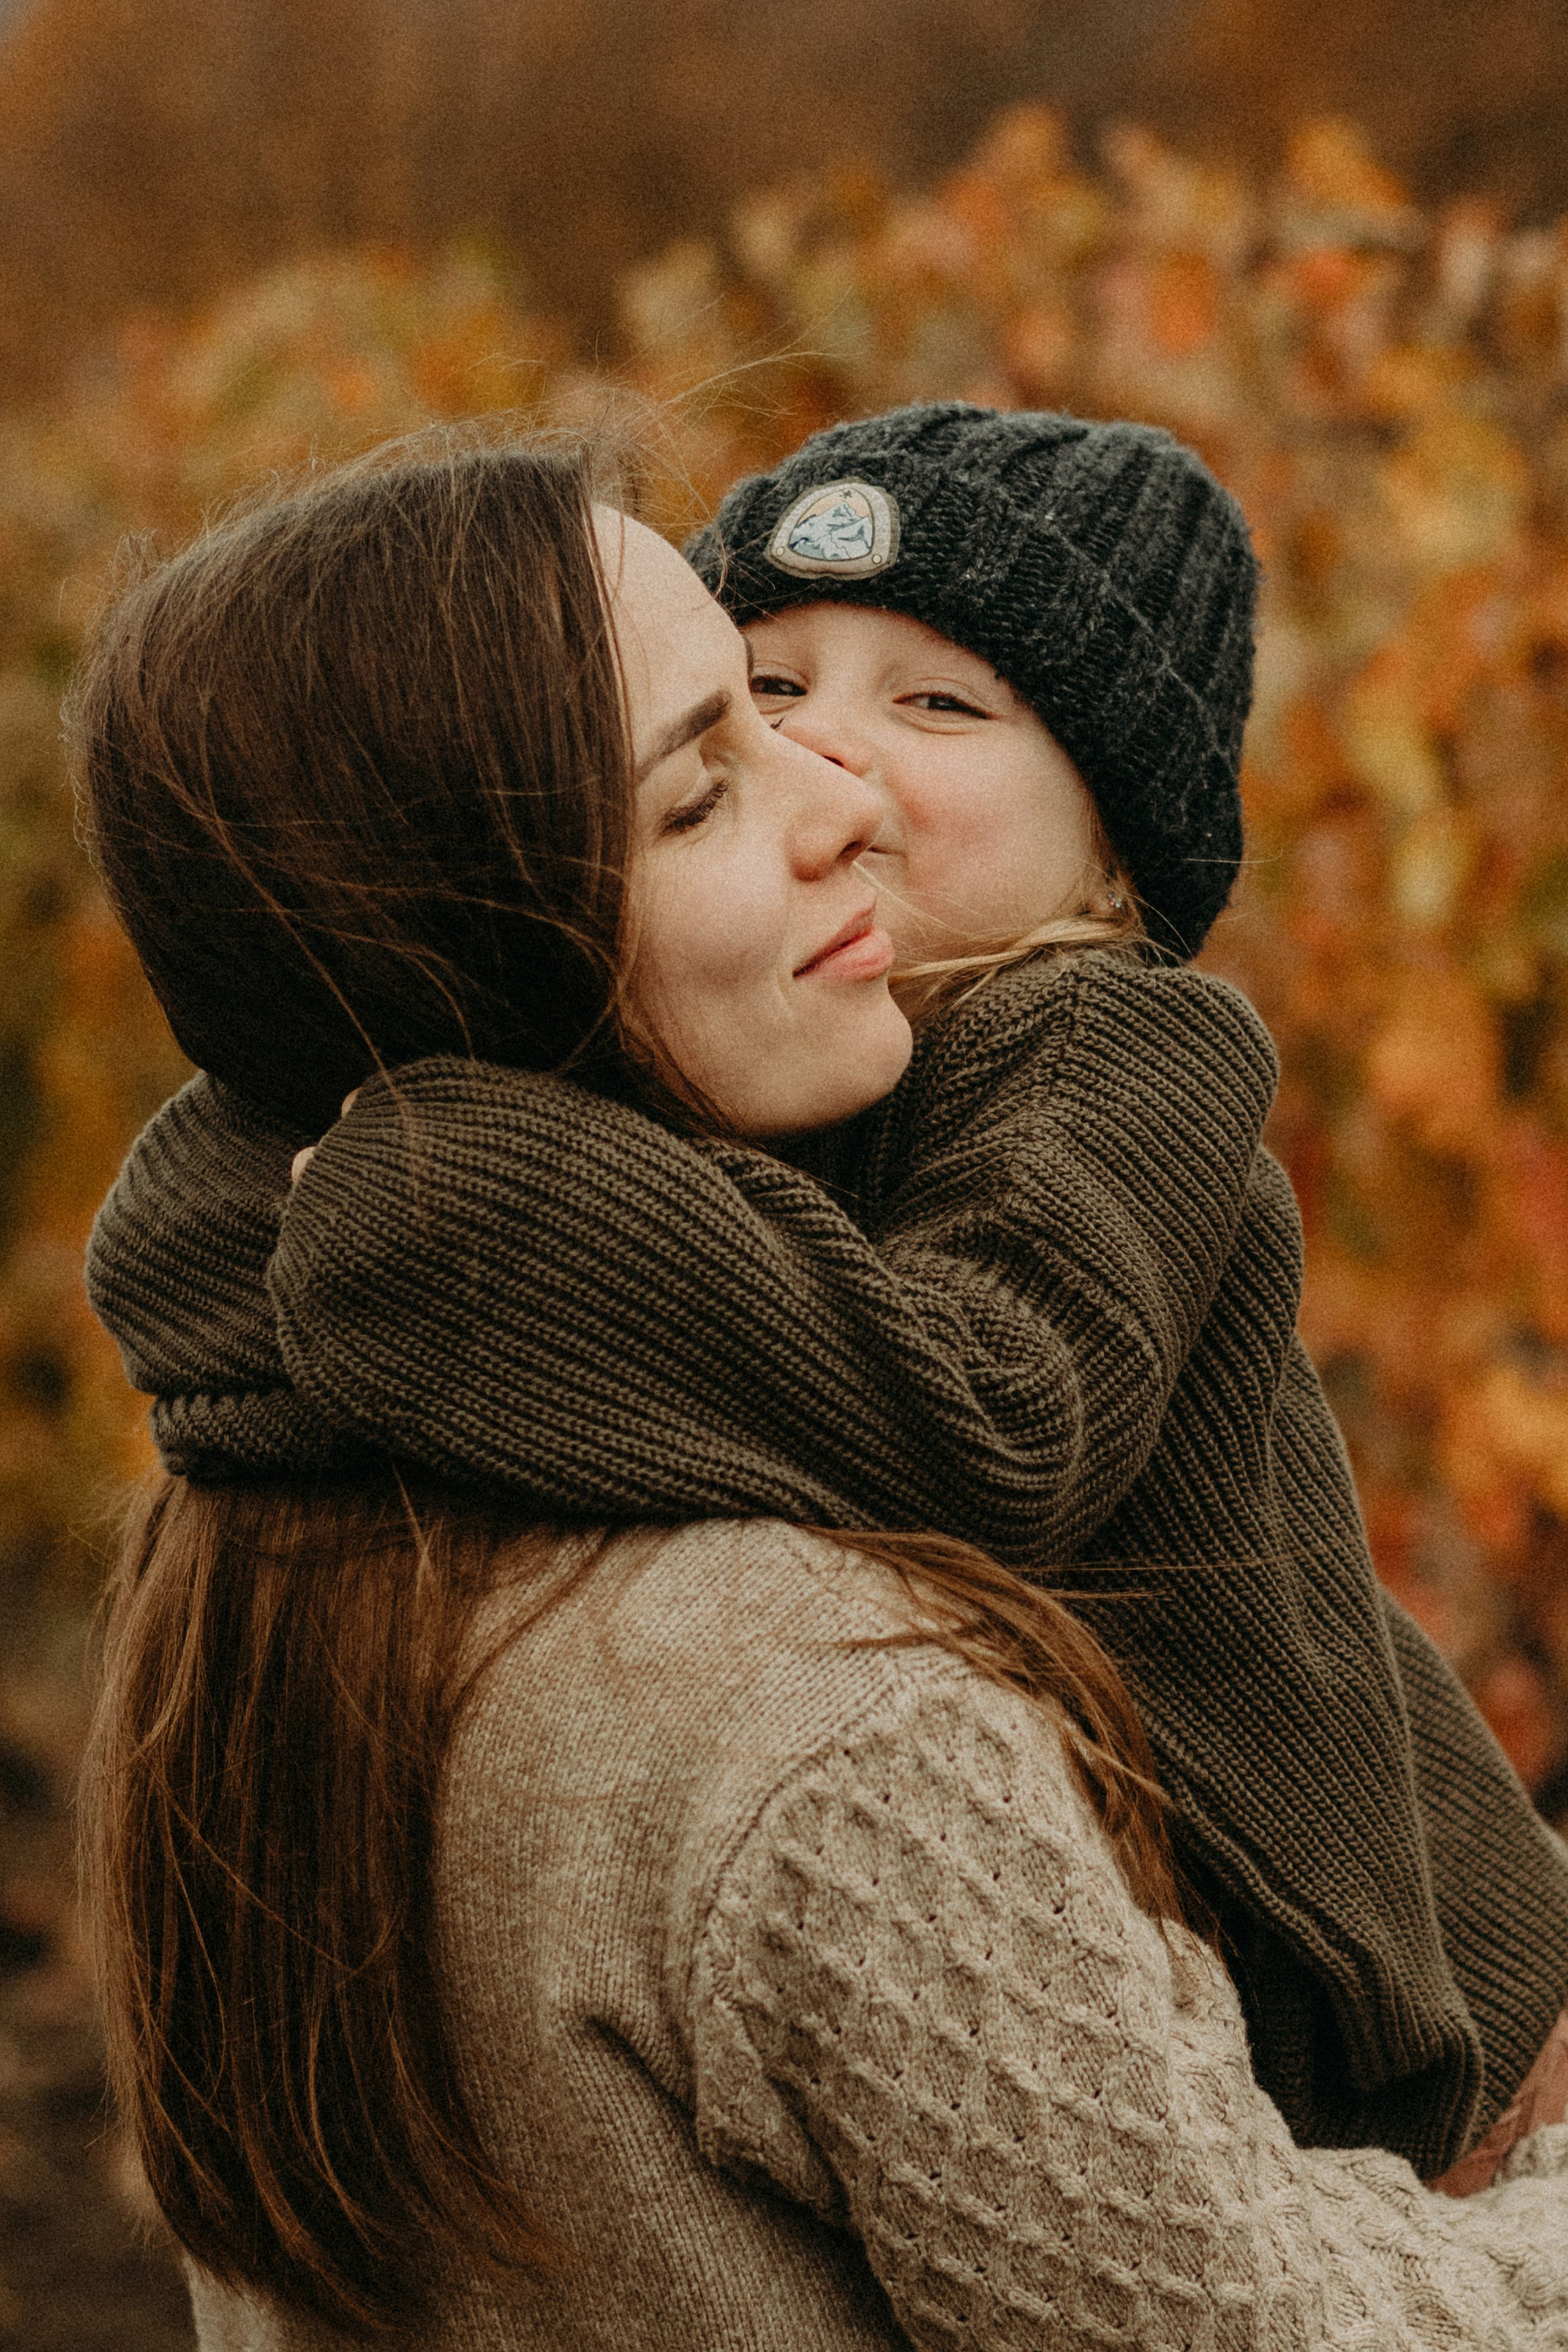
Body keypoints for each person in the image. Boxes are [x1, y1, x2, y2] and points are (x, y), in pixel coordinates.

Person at [90, 407, 1568, 2201]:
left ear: (1115, 859)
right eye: (764, 695)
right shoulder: (777, 1074)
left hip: (1393, 2014)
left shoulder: (1110, 1046)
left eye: (942, 707)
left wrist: (448, 1216)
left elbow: (997, 1419)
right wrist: (398, 1192)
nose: (835, 762)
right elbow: (188, 1235)